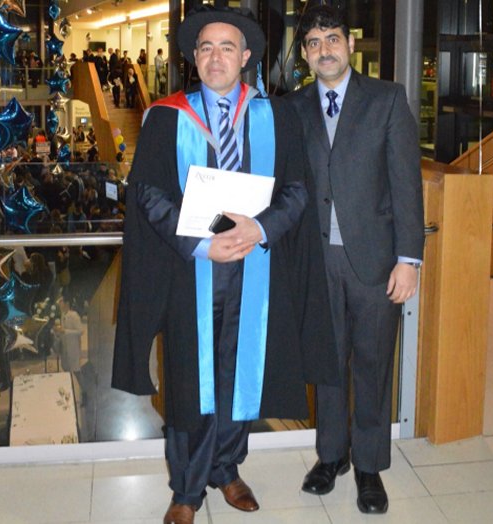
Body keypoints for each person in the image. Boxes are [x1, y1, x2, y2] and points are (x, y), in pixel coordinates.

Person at [112, 6, 337, 524]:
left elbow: (297, 190)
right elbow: (148, 194)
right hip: (190, 272)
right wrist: (199, 243)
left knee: (241, 375)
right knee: (192, 381)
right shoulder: (167, 117)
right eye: (206, 48)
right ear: (194, 58)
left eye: (227, 47)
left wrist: (260, 229)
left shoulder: (276, 116)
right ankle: (186, 489)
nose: (216, 57)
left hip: (255, 270)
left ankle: (227, 468)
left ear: (246, 56)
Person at [287, 5, 425, 515]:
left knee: (372, 363)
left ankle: (368, 466)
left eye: (333, 39)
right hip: (316, 259)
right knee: (326, 363)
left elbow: (406, 184)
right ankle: (331, 456)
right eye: (314, 42)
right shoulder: (293, 107)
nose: (324, 49)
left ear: (350, 43)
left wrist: (409, 259)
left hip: (375, 261)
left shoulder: (386, 99)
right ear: (305, 54)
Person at [53, 292, 84, 372]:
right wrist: (57, 332)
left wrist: (65, 331)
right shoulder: (63, 315)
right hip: (64, 349)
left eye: (61, 301)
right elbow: (62, 332)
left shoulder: (74, 315)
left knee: (74, 370)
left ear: (67, 303)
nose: (59, 304)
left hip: (73, 348)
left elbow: (80, 331)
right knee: (65, 368)